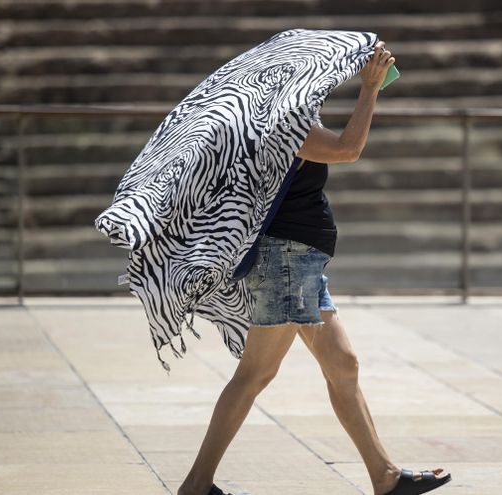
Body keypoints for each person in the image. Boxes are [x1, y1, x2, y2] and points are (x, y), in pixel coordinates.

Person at [177, 41, 451, 495]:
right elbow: (347, 150)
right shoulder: (283, 125)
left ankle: (384, 477)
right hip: (287, 260)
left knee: (343, 365)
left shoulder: (293, 120)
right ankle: (196, 485)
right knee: (254, 375)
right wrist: (370, 89)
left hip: (301, 262)